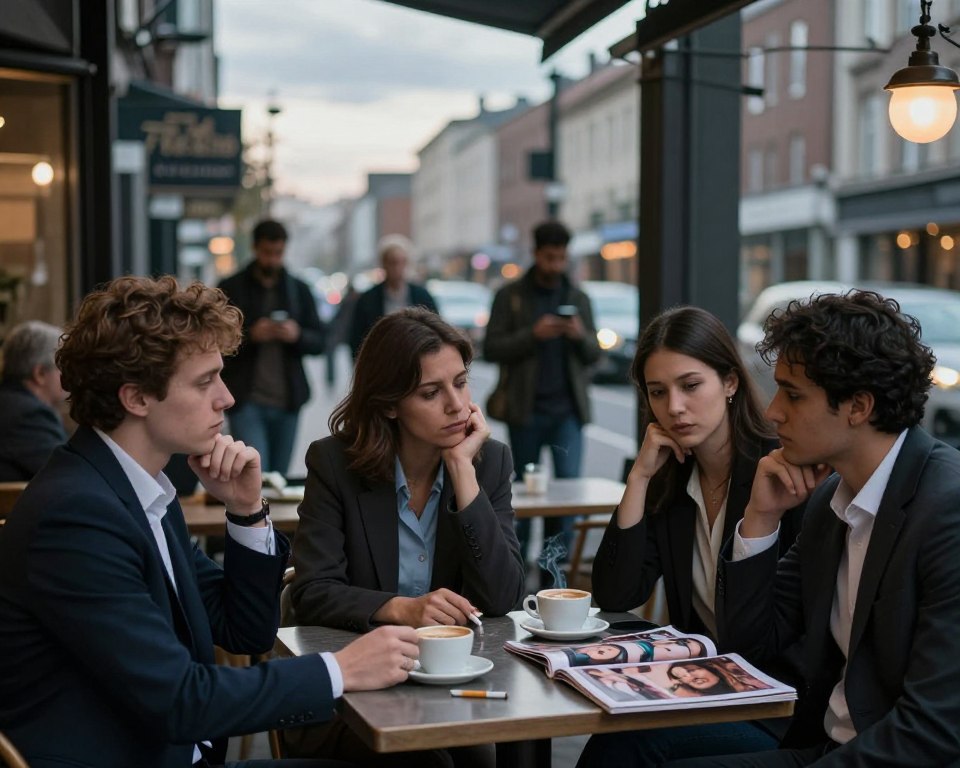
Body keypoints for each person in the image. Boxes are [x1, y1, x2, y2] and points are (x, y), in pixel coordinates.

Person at [0, 276, 420, 767]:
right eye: (204, 382)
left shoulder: (136, 490)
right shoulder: (76, 516)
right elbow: (181, 701)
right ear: (136, 398)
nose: (227, 398)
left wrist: (245, 511)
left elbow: (245, 633)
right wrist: (340, 669)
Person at [666, 290, 960, 767]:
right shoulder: (831, 499)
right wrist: (761, 519)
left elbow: (935, 727)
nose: (772, 411)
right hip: (826, 742)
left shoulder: (946, 510)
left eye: (794, 394)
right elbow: (751, 647)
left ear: (858, 406)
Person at [286, 307, 524, 766]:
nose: (456, 405)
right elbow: (312, 591)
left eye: (460, 382)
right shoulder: (335, 464)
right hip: (354, 691)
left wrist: (461, 472)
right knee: (432, 762)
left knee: (489, 758)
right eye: (431, 392)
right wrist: (402, 608)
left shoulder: (487, 462)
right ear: (390, 403)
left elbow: (503, 596)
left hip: (454, 682)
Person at [578, 306, 803, 768]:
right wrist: (639, 477)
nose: (674, 407)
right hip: (702, 687)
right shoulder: (672, 480)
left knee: (628, 743)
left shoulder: (779, 473)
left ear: (730, 382)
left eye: (690, 385)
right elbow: (616, 594)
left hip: (778, 707)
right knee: (617, 728)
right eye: (658, 393)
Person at [483, 219, 601, 578]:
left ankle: (555, 578)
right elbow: (491, 347)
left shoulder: (578, 298)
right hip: (526, 411)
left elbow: (595, 355)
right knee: (523, 500)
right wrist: (532, 335)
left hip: (567, 412)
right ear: (535, 254)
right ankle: (516, 576)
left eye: (561, 258)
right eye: (549, 257)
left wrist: (579, 335)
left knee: (565, 500)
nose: (555, 265)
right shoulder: (511, 295)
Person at [218, 218, 326, 474]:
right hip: (246, 398)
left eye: (278, 253)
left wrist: (296, 335)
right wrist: (249, 335)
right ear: (255, 248)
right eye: (267, 253)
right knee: (255, 475)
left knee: (279, 478)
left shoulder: (298, 290)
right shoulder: (231, 287)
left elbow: (321, 341)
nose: (273, 260)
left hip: (288, 401)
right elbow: (216, 342)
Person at [348, 236, 438, 358]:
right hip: (379, 363)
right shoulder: (367, 299)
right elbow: (356, 339)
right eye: (392, 262)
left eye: (402, 262)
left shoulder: (422, 295)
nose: (397, 268)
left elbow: (435, 331)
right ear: (383, 264)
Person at [0, 320, 68, 481]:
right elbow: (67, 474)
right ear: (40, 374)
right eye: (62, 367)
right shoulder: (29, 416)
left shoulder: (10, 404)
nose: (69, 374)